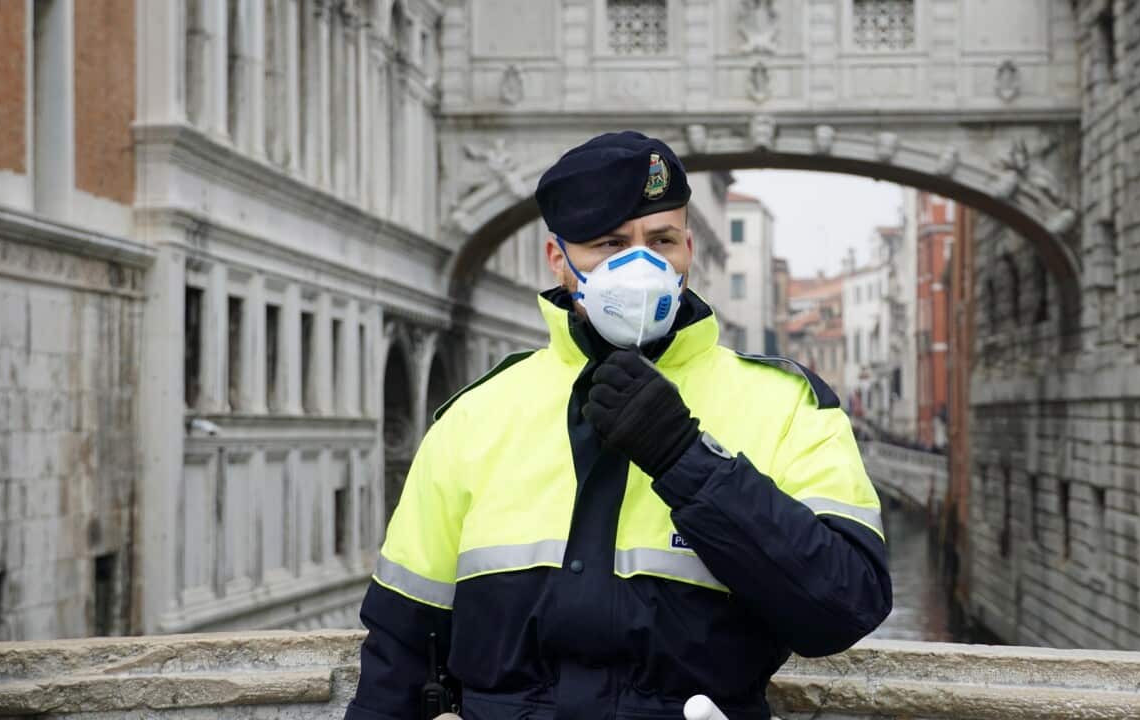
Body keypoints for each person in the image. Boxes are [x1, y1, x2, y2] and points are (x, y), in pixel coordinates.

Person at [345, 131, 892, 720]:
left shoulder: (786, 405)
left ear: (688, 250)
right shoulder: (477, 416)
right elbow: (400, 651)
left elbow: (845, 606)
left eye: (661, 240)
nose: (641, 265)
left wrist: (686, 460)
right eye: (609, 243)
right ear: (559, 260)